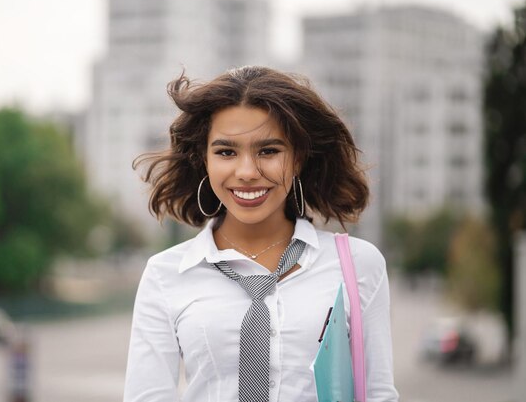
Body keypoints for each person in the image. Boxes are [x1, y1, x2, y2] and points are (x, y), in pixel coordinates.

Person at [124, 66, 399, 402]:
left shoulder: (357, 264)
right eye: (226, 152)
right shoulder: (165, 275)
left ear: (298, 158)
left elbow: (379, 393)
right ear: (204, 160)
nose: (247, 172)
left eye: (268, 151)